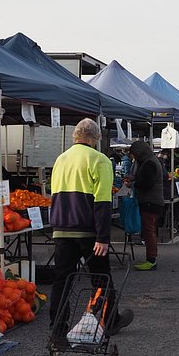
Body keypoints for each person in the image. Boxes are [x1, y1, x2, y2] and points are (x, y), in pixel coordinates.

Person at [48, 118, 131, 340]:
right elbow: (102, 201)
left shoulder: (61, 159)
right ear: (94, 139)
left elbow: (54, 192)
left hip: (62, 227)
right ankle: (110, 319)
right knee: (100, 277)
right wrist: (103, 237)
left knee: (62, 279)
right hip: (87, 229)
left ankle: (57, 328)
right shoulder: (99, 160)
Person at [126, 140, 164, 271]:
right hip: (153, 201)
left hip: (150, 201)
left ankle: (151, 259)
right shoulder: (151, 161)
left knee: (148, 231)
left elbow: (147, 184)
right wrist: (135, 179)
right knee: (149, 230)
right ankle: (151, 258)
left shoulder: (149, 164)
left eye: (134, 154)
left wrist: (134, 184)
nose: (133, 157)